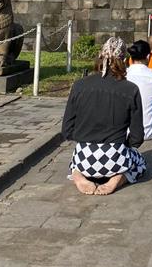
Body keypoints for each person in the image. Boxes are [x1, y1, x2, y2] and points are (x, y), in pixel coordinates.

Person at [62, 37, 146, 196]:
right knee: (140, 162)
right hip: (115, 157)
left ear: (100, 56)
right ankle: (119, 177)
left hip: (85, 157)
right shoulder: (131, 89)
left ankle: (78, 175)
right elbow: (137, 137)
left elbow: (66, 130)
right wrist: (124, 145)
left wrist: (86, 138)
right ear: (125, 61)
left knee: (74, 162)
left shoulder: (79, 85)